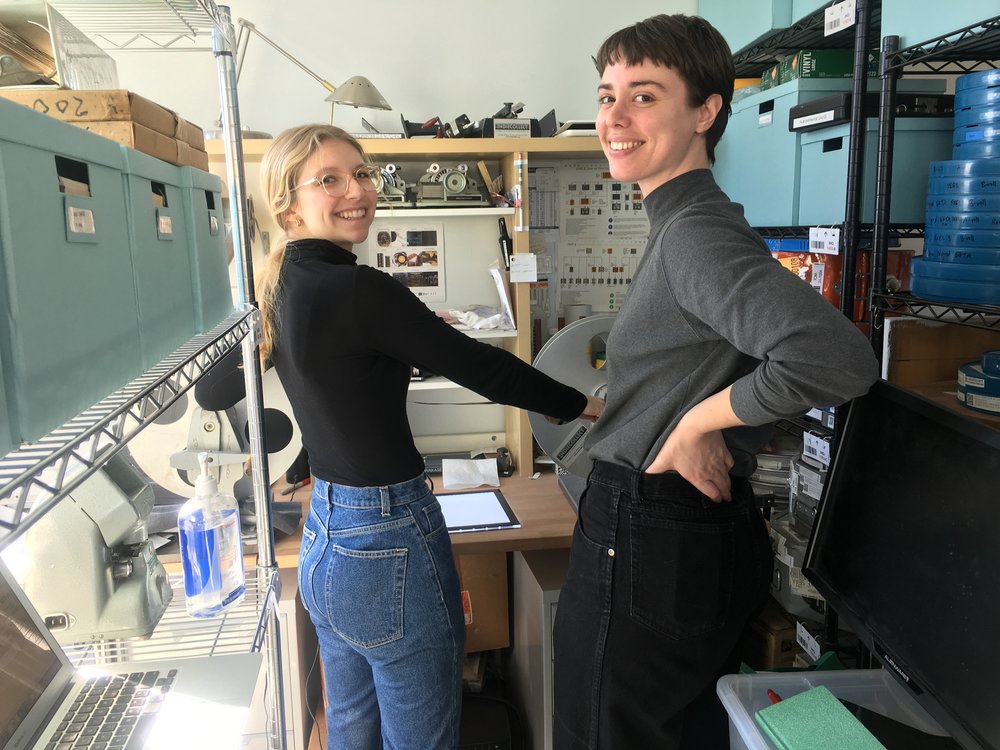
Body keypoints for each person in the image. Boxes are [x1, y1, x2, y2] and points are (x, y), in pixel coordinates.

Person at [551, 14, 879, 750]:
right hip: (669, 536)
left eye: (643, 96)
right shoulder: (682, 222)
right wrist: (690, 413)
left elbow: (836, 359)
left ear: (705, 111)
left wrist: (697, 423)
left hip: (652, 536)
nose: (615, 118)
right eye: (607, 96)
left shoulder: (695, 231)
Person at [254, 124, 602, 750]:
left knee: (352, 731)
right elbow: (483, 367)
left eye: (363, 174)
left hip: (326, 536)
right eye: (329, 179)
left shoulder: (279, 288)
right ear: (288, 203)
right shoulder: (360, 288)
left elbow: (325, 386)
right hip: (387, 535)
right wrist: (581, 404)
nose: (356, 191)